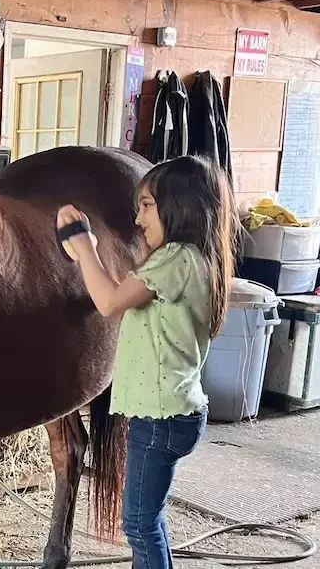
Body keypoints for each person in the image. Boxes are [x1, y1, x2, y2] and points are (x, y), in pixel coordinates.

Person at [56, 155, 238, 569]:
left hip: (159, 419)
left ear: (181, 205)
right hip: (176, 412)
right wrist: (93, 253)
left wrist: (85, 248)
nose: (138, 219)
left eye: (147, 205)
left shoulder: (175, 258)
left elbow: (108, 301)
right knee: (147, 520)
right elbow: (123, 291)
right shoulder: (197, 259)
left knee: (139, 524)